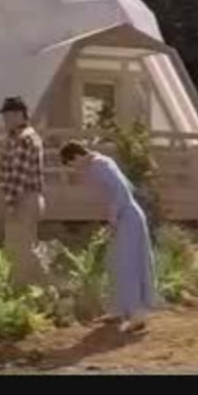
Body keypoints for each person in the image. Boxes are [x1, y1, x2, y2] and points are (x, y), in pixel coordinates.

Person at [60, 140, 158, 333]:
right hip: (123, 216)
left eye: (72, 164)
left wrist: (113, 218)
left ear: (77, 156)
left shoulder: (100, 165)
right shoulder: (98, 163)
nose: (75, 169)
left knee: (128, 264)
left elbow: (121, 191)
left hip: (127, 217)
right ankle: (118, 308)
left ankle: (137, 313)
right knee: (113, 261)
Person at [0, 96, 49, 290]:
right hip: (23, 197)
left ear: (19, 115)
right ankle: (23, 288)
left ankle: (45, 287)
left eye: (7, 115)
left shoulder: (25, 139)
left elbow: (18, 176)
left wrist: (10, 204)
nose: (4, 120)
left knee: (23, 248)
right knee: (16, 247)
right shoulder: (15, 138)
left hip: (24, 198)